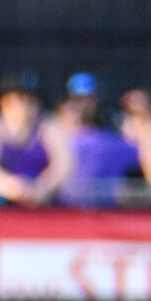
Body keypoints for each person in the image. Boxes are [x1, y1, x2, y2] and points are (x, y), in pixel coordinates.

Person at [0, 73, 56, 205]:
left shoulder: (48, 126)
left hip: (43, 203)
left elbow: (62, 167)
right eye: (17, 100)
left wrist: (41, 188)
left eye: (29, 100)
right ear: (3, 101)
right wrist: (10, 188)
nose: (23, 106)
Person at [50, 74, 138, 207]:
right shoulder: (53, 141)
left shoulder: (115, 143)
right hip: (61, 213)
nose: (83, 107)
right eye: (76, 101)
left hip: (105, 215)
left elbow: (147, 157)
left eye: (89, 100)